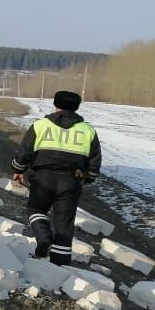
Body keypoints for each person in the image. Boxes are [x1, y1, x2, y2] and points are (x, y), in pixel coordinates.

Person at [11, 90, 101, 266]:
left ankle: (43, 237)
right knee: (64, 223)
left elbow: (25, 153)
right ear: (77, 107)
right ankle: (59, 265)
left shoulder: (41, 125)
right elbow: (94, 160)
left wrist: (18, 169)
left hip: (43, 178)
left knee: (36, 209)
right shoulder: (88, 130)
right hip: (71, 181)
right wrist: (89, 177)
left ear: (56, 105)